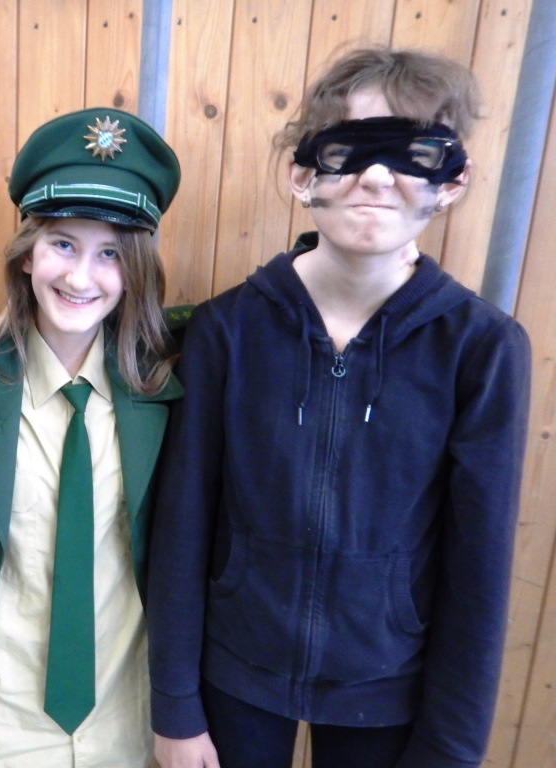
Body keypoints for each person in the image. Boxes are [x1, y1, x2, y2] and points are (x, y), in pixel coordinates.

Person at [146, 47, 531, 768]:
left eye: (415, 153)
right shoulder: (228, 331)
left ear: (452, 181)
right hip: (235, 675)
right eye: (350, 150)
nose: (378, 177)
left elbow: (479, 569)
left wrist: (449, 751)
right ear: (303, 175)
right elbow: (183, 524)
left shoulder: (481, 348)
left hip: (389, 689)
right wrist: (174, 706)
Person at [0, 108, 185, 767]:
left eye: (111, 253)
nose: (80, 277)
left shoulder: (171, 384)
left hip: (126, 720)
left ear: (136, 271)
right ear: (27, 255)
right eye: (63, 244)